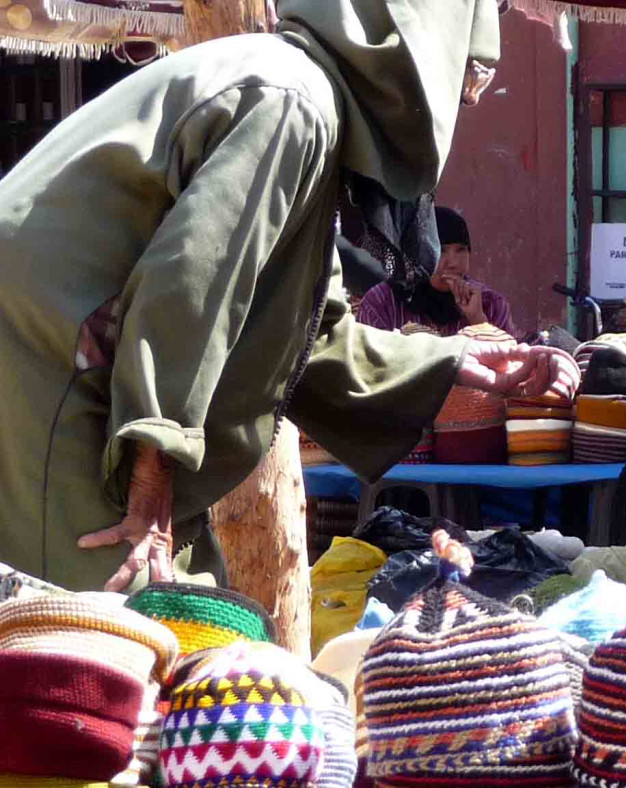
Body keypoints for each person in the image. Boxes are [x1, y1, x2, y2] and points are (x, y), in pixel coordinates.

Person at [0, 0, 573, 593]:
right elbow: (191, 283)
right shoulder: (294, 104)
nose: (465, 103)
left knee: (182, 612)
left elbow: (311, 339)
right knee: (109, 617)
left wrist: (455, 361)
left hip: (72, 362)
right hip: (52, 359)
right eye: (463, 79)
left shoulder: (301, 98)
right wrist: (151, 469)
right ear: (413, 58)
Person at [358, 205, 518, 337]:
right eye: (441, 250)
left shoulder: (490, 304)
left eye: (461, 250)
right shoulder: (382, 302)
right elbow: (366, 361)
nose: (453, 263)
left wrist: (478, 320)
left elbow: (509, 361)